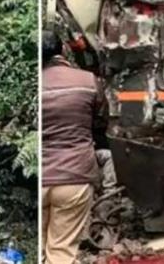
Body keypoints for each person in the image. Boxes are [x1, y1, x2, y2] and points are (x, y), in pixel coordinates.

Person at [41, 30, 107, 264]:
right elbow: (102, 120)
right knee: (60, 252)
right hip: (75, 178)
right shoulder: (88, 81)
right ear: (63, 50)